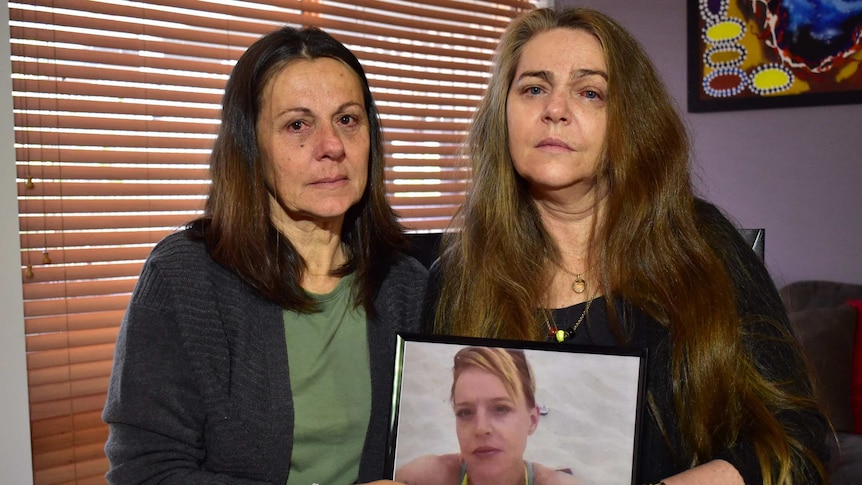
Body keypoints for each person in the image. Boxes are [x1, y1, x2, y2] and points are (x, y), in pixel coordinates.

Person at [423, 7, 830, 485]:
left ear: (628, 122)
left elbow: (798, 439)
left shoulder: (703, 245)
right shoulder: (457, 276)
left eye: (590, 92)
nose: (554, 109)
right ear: (503, 112)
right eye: (533, 88)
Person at [102, 25, 427, 484]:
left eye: (348, 120)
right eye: (297, 124)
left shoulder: (407, 285)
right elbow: (145, 473)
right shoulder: (184, 279)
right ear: (250, 146)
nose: (332, 147)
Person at [395, 347, 580, 485]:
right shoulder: (426, 478)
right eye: (465, 412)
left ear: (532, 420)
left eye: (500, 408)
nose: (481, 428)